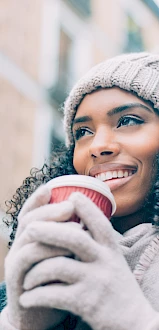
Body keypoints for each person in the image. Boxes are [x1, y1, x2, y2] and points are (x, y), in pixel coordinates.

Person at [0, 52, 159, 330]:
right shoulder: (21, 291)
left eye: (129, 120)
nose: (97, 146)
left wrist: (135, 321)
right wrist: (19, 322)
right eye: (83, 131)